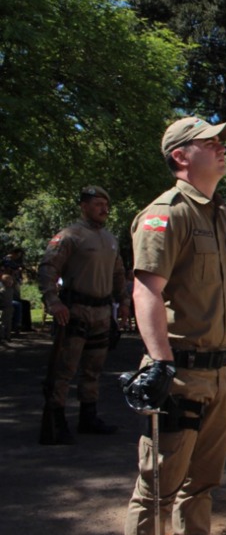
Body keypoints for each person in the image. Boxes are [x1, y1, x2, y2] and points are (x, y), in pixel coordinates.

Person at [123, 116, 226, 535]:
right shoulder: (166, 212)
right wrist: (159, 363)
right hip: (181, 372)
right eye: (210, 142)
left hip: (220, 370)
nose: (221, 147)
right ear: (180, 155)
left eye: (221, 142)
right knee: (158, 484)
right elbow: (146, 289)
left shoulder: (222, 213)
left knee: (205, 480)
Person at [35, 186, 129, 444]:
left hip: (102, 311)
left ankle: (88, 417)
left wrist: (123, 302)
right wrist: (53, 301)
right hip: (75, 311)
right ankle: (56, 421)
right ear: (84, 206)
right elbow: (47, 269)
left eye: (105, 204)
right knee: (64, 369)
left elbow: (118, 273)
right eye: (98, 203)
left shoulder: (110, 238)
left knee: (94, 368)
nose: (104, 209)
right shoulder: (70, 236)